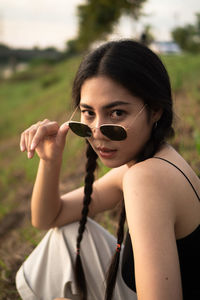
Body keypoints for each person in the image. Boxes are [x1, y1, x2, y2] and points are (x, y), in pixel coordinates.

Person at [16, 40, 200, 300]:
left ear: (156, 110)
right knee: (68, 235)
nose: (98, 132)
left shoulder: (146, 178)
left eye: (116, 113)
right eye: (88, 113)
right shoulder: (154, 160)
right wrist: (50, 161)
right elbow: (48, 218)